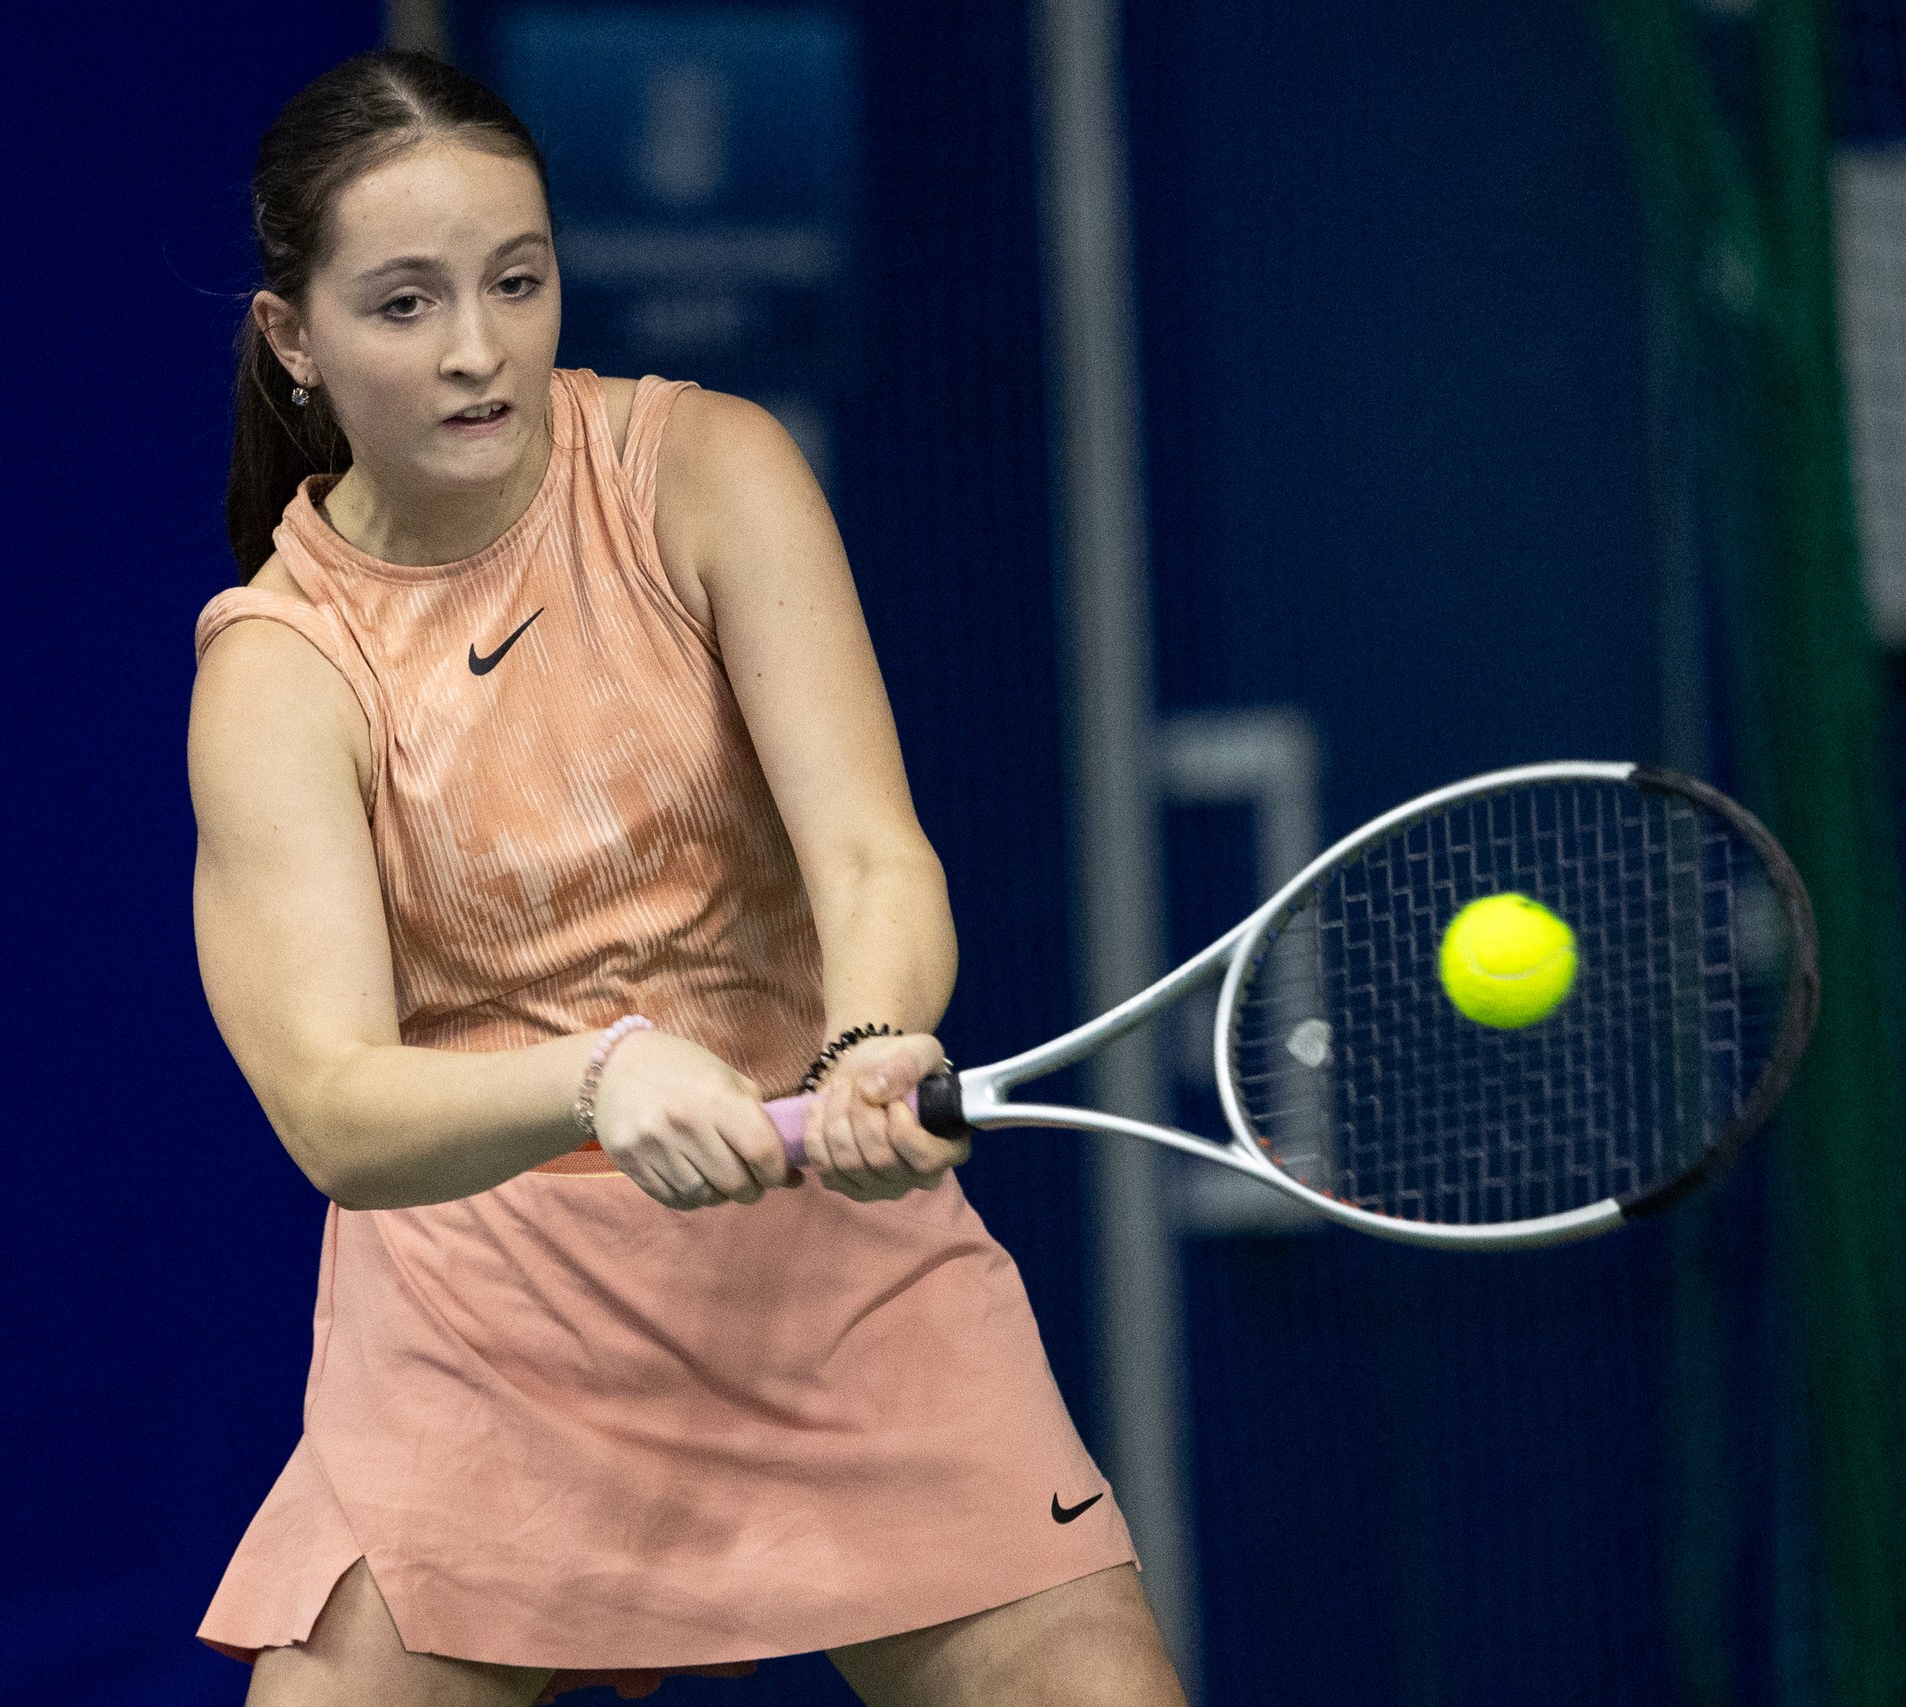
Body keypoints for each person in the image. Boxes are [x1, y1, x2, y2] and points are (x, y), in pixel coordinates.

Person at [187, 49, 1187, 1707]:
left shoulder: (706, 469)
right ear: (294, 336)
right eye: (405, 303)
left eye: (518, 281)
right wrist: (598, 1075)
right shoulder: (282, 668)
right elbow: (332, 1107)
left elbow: (869, 848)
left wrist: (869, 1041)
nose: (478, 348)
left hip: (833, 1282)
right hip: (486, 1339)